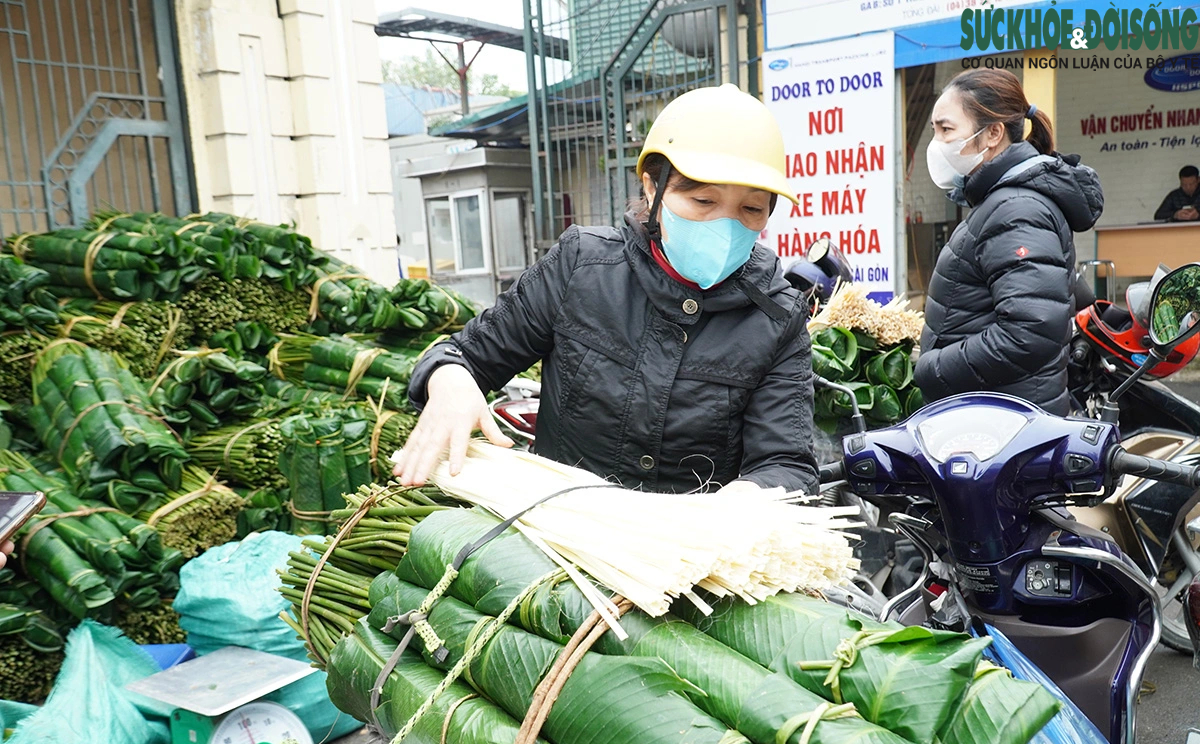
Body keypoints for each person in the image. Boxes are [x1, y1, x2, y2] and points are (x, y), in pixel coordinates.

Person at [392, 83, 819, 495]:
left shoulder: (777, 317)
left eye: (750, 209)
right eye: (703, 202)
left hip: (691, 559)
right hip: (557, 544)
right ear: (653, 188)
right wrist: (450, 380)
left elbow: (786, 463)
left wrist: (750, 498)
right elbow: (463, 355)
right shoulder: (581, 265)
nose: (724, 226)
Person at [914, 68, 1105, 415]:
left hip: (1006, 426)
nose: (936, 143)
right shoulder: (1003, 202)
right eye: (934, 131)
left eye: (946, 129)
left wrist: (932, 368)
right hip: (996, 414)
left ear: (993, 134)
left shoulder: (1016, 209)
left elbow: (1029, 331)